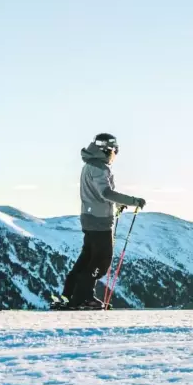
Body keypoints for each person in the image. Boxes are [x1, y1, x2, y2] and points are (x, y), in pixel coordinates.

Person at [57, 133, 146, 310]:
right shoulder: (99, 168)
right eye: (114, 151)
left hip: (89, 218)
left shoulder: (89, 165)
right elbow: (105, 193)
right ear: (107, 150)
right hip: (99, 221)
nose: (114, 155)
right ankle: (83, 299)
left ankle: (68, 296)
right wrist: (133, 201)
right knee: (100, 262)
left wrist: (118, 203)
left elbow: (100, 194)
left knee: (87, 259)